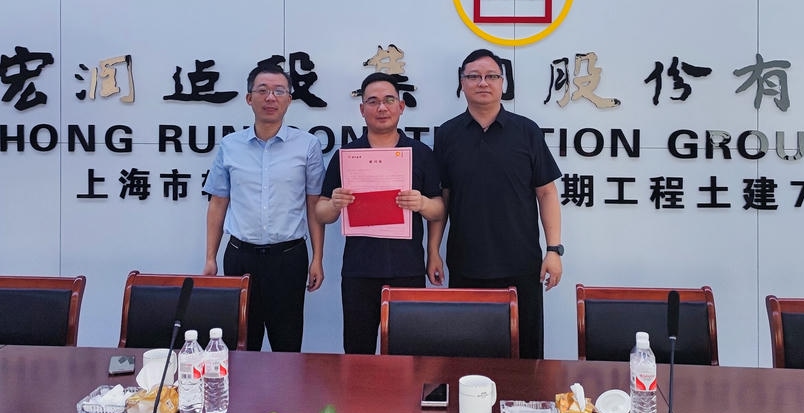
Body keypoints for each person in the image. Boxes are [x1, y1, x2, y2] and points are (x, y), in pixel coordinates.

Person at [433, 48, 563, 359]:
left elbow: (547, 193)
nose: (483, 82)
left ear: (502, 83)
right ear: (462, 83)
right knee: (466, 355)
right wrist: (433, 251)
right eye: (474, 76)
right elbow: (443, 199)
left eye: (491, 76)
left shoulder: (527, 131)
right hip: (466, 264)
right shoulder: (448, 134)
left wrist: (554, 250)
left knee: (527, 357)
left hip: (522, 264)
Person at [316, 72, 445, 354]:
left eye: (389, 100)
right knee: (357, 353)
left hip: (407, 269)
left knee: (408, 354)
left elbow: (438, 209)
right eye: (373, 102)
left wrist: (422, 203)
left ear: (401, 106)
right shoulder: (347, 155)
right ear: (362, 109)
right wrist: (334, 203)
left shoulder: (421, 153)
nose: (382, 108)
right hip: (359, 271)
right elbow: (321, 212)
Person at [203, 62, 325, 352]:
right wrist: (210, 257)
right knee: (241, 346)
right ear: (249, 98)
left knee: (288, 346)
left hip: (288, 259)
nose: (271, 98)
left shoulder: (307, 146)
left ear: (289, 99)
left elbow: (314, 205)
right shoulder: (230, 145)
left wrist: (318, 257)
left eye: (279, 91)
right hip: (240, 257)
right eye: (263, 91)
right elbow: (218, 203)